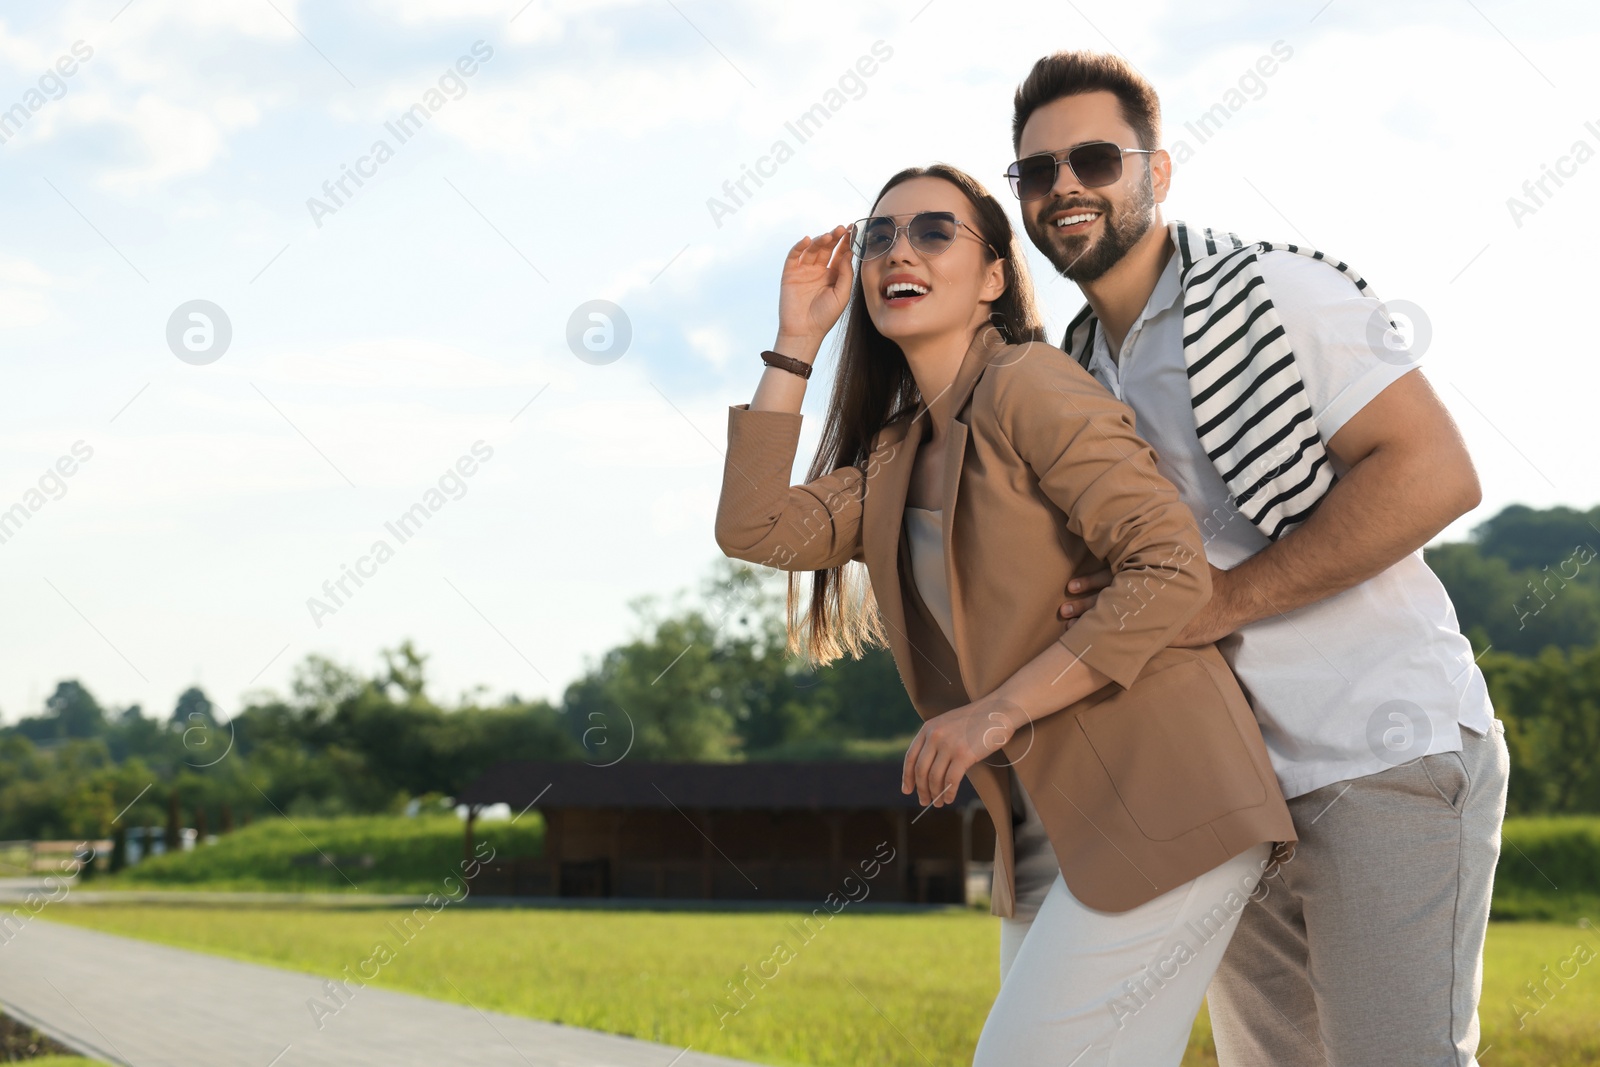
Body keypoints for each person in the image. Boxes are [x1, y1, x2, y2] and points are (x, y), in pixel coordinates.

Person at [712, 161, 1296, 1065]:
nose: (896, 249)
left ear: (993, 276)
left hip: (1161, 798)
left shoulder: (1030, 383)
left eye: (933, 231)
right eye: (879, 236)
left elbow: (1171, 566)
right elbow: (754, 526)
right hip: (1043, 832)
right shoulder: (896, 455)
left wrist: (996, 710)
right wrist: (796, 342)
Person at [1007, 50, 1511, 1066]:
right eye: (1036, 171)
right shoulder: (1072, 369)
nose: (1064, 186)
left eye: (1094, 159)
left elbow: (1433, 473)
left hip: (1381, 746)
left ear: (1156, 170)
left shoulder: (1274, 290)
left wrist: (1220, 598)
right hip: (1233, 786)